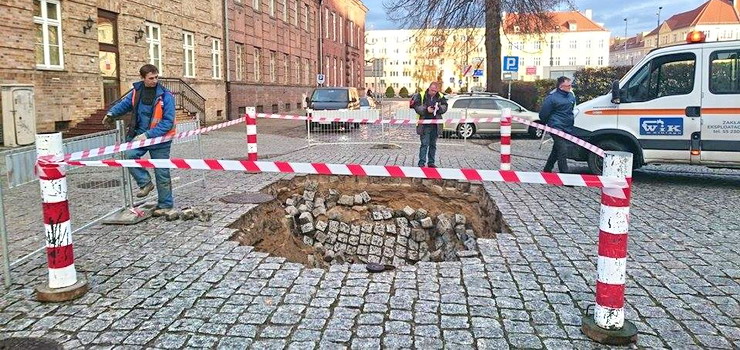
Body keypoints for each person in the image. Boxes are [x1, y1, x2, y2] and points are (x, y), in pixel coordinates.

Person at [103, 64, 176, 216]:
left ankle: (165, 205)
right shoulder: (137, 92)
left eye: (156, 77)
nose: (155, 81)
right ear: (142, 78)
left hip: (160, 140)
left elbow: (168, 122)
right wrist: (111, 114)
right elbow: (124, 105)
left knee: (162, 172)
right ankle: (145, 183)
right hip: (139, 135)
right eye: (151, 78)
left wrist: (148, 135)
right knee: (129, 155)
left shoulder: (166, 96)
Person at [539, 76, 576, 173]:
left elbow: (571, 110)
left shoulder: (571, 96)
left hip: (567, 127)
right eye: (568, 86)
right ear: (561, 86)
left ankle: (547, 169)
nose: (570, 87)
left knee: (556, 149)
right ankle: (565, 175)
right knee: (562, 150)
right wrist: (551, 123)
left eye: (570, 85)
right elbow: (543, 114)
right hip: (556, 127)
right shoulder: (552, 98)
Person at [412, 82, 448, 168]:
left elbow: (445, 106)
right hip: (424, 124)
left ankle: (431, 162)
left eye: (435, 91)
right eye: (432, 90)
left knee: (433, 144)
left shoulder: (440, 96)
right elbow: (416, 107)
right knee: (424, 144)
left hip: (435, 124)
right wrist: (426, 109)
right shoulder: (421, 95)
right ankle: (421, 163)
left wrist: (439, 108)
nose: (434, 92)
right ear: (429, 88)